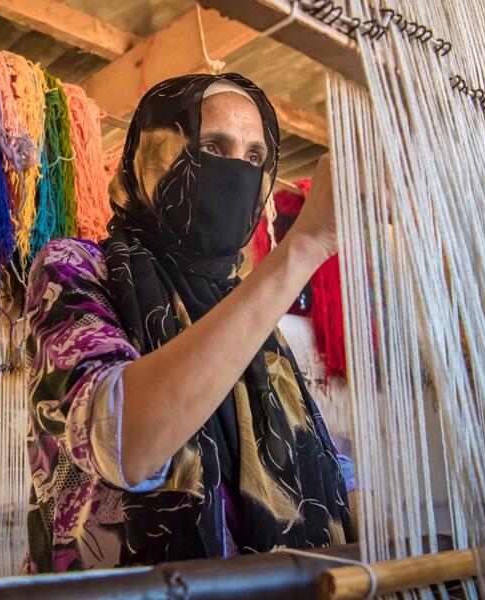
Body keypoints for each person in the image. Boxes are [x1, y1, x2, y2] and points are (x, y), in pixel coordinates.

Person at [23, 73, 355, 574]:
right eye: (212, 146)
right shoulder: (77, 270)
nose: (236, 172)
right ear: (150, 155)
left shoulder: (244, 307)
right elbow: (125, 443)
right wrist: (305, 246)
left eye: (254, 157)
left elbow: (324, 467)